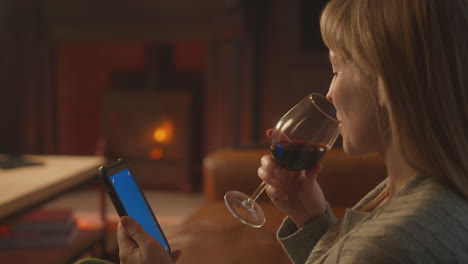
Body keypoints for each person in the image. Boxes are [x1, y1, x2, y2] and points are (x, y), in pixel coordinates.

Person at [113, 0, 468, 263]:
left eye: (336, 68)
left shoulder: (389, 245)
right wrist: (310, 218)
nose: (329, 93)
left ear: (387, 81)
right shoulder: (424, 189)